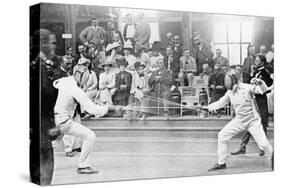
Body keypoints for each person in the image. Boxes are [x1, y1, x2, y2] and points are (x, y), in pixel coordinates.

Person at [199, 69, 273, 171]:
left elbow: (263, 90)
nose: (226, 82)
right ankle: (221, 163)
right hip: (239, 120)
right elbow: (220, 103)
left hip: (253, 121)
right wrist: (206, 108)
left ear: (234, 80)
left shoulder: (247, 88)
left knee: (264, 144)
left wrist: (261, 83)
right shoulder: (229, 92)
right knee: (222, 136)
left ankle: (275, 160)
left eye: (227, 80)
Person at [53, 65, 121, 174]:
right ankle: (83, 166)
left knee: (52, 143)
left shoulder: (65, 81)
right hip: (63, 121)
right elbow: (92, 109)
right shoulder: (75, 90)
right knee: (90, 135)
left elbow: (55, 84)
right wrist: (111, 108)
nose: (85, 84)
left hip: (55, 119)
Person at [231, 55, 273, 156]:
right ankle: (243, 147)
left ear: (262, 63)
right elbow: (249, 83)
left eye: (257, 61)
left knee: (261, 123)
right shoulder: (255, 72)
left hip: (260, 100)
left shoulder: (265, 73)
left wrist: (258, 88)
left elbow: (268, 86)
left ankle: (263, 148)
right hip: (252, 99)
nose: (255, 62)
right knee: (250, 122)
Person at [52, 56, 82, 157]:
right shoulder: (57, 75)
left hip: (73, 104)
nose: (69, 66)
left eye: (70, 64)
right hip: (64, 106)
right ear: (61, 63)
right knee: (66, 128)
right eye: (67, 64)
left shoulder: (69, 74)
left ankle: (76, 146)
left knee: (77, 124)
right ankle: (68, 149)